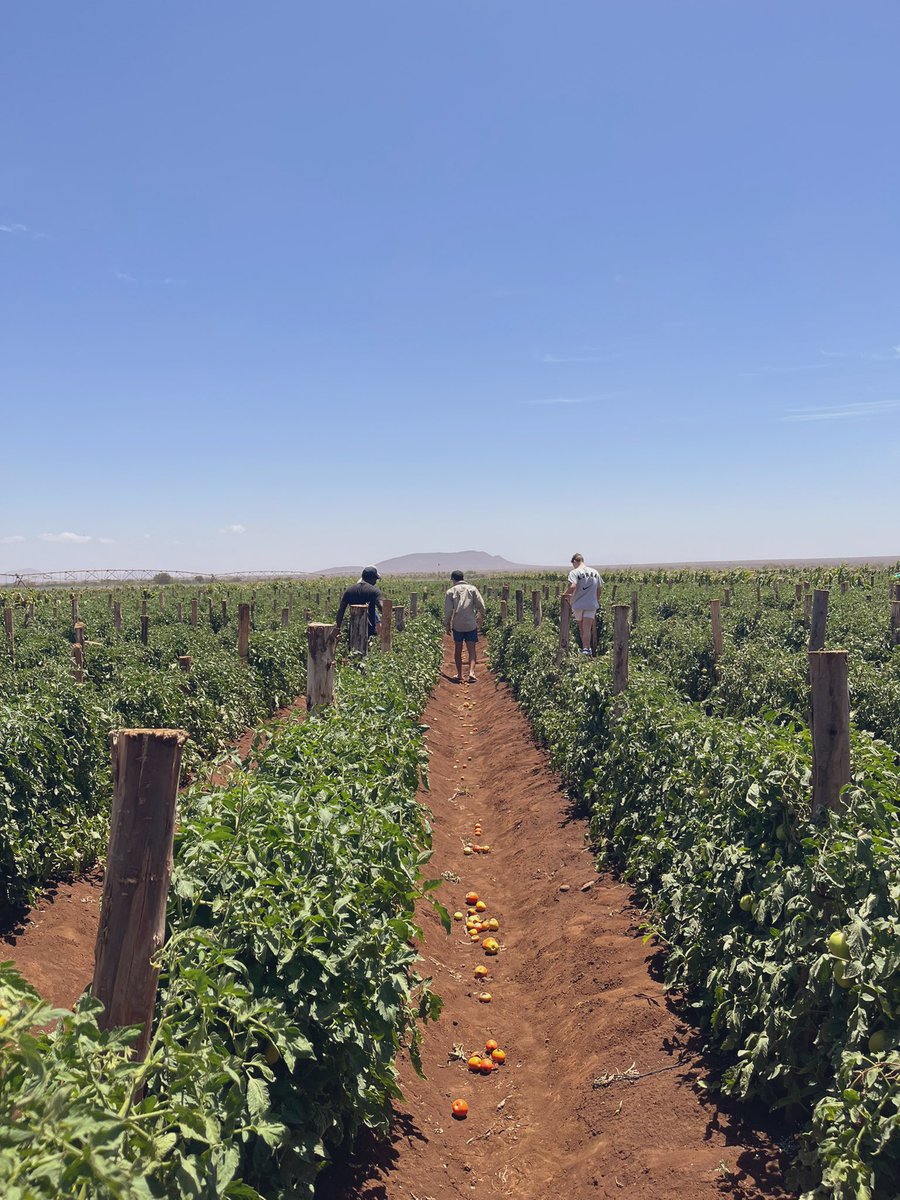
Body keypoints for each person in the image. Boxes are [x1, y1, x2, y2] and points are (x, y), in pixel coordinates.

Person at [444, 569, 486, 683]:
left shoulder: (450, 591)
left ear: (453, 579)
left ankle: (459, 675)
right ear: (463, 578)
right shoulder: (472, 589)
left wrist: (447, 624)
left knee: (458, 649)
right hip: (470, 623)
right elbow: (481, 605)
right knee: (471, 649)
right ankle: (472, 673)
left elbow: (448, 611)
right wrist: (480, 617)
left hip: (457, 624)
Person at [562, 553, 603, 656]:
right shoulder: (595, 572)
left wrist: (565, 595)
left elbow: (573, 586)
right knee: (587, 627)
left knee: (581, 627)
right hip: (591, 604)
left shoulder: (574, 572)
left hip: (578, 604)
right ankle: (587, 648)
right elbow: (599, 589)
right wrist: (595, 600)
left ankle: (585, 649)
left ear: (575, 561)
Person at [335, 566, 383, 640]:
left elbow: (341, 610)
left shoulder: (349, 591)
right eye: (375, 579)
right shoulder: (374, 591)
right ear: (371, 578)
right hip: (369, 632)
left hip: (353, 631)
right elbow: (382, 608)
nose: (375, 582)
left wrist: (337, 628)